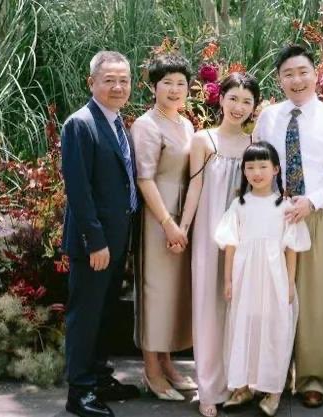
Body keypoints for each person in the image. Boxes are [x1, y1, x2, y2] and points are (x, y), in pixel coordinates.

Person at [252, 44, 323, 408]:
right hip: (274, 216)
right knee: (272, 297)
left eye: (302, 72)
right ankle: (272, 377)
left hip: (316, 214)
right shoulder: (268, 118)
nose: (296, 80)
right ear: (279, 79)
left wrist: (311, 201)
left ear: (315, 74)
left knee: (313, 298)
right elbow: (257, 162)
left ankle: (313, 378)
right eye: (288, 74)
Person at [61, 50, 140, 417]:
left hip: (117, 239)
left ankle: (99, 378)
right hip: (94, 244)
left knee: (105, 313)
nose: (118, 86)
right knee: (86, 316)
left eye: (124, 80)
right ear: (91, 82)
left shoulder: (118, 123)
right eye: (109, 80)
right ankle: (79, 392)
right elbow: (79, 190)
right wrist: (95, 241)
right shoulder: (80, 124)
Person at [178, 72, 260, 417]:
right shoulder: (203, 140)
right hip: (209, 233)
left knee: (240, 309)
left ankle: (238, 383)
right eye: (233, 98)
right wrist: (182, 228)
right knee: (208, 310)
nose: (239, 107)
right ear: (221, 99)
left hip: (246, 237)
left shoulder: (255, 142)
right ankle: (209, 389)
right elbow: (195, 188)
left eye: (247, 101)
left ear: (254, 106)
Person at [214, 142, 311, 417]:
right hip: (244, 277)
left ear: (276, 169)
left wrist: (289, 283)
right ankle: (243, 386)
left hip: (274, 277)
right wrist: (228, 280)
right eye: (250, 167)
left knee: (274, 328)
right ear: (244, 171)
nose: (257, 173)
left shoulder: (285, 206)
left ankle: (273, 390)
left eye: (263, 166)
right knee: (242, 326)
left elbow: (291, 248)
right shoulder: (239, 205)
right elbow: (230, 245)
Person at [130, 53, 196, 402]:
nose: (174, 89)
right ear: (153, 87)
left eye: (180, 83)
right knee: (155, 292)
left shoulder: (186, 125)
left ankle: (167, 362)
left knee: (174, 292)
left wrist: (184, 222)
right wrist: (168, 223)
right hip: (158, 217)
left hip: (183, 217)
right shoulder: (146, 125)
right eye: (167, 82)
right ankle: (151, 370)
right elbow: (144, 179)